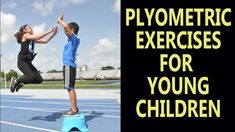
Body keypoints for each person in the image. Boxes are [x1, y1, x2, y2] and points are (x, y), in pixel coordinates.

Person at [10, 24, 58, 93]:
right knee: (31, 77)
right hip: (22, 61)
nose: (31, 29)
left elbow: (45, 41)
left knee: (39, 80)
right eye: (29, 28)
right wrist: (49, 31)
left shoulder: (32, 40)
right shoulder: (25, 35)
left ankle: (20, 83)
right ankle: (16, 80)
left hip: (28, 62)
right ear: (24, 30)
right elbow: (37, 37)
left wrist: (53, 34)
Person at [57, 13, 80, 116]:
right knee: (70, 88)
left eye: (67, 30)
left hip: (68, 66)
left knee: (70, 88)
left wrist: (60, 20)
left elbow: (66, 26)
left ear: (72, 30)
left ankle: (74, 110)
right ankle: (74, 108)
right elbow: (66, 28)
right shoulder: (71, 40)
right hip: (68, 66)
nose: (65, 31)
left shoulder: (74, 39)